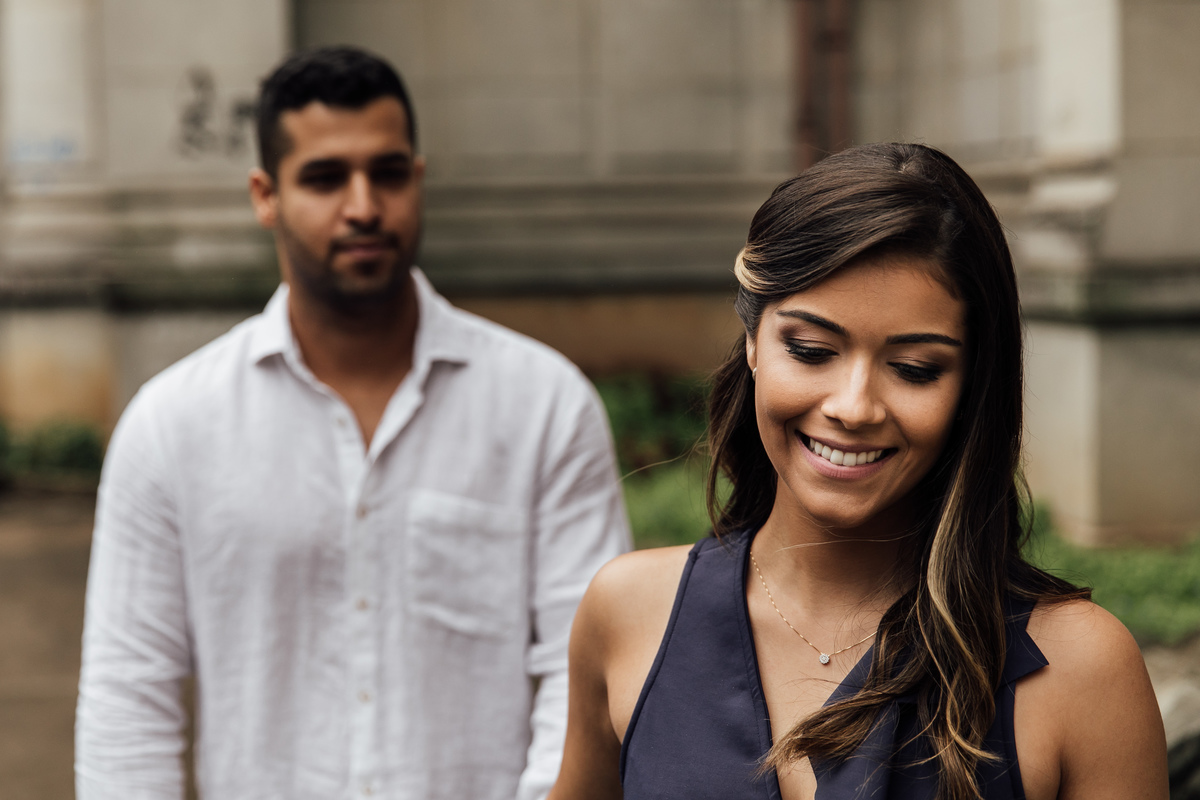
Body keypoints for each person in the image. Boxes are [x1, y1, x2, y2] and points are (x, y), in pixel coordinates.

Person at [75, 46, 630, 800]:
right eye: (326, 178)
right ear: (265, 195)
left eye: (389, 173)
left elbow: (582, 681)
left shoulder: (543, 407)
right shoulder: (173, 425)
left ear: (419, 179)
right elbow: (127, 702)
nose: (365, 205)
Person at [549, 143, 1167, 800]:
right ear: (755, 340)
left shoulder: (1081, 670)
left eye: (915, 369)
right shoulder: (628, 613)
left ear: (970, 387)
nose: (853, 407)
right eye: (812, 350)